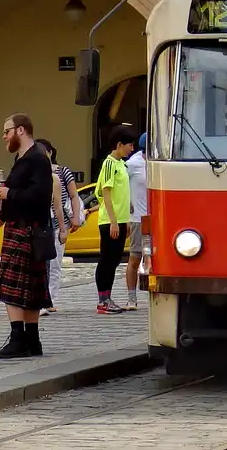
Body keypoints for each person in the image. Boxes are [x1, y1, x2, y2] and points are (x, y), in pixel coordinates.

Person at [0, 113, 54, 358]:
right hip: (21, 226)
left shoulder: (37, 158)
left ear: (20, 130)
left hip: (27, 230)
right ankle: (31, 340)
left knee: (16, 288)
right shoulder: (25, 157)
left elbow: (39, 196)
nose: (4, 136)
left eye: (7, 131)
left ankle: (19, 340)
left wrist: (9, 194)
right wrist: (3, 215)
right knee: (30, 288)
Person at [34, 138, 81, 315]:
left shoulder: (61, 172)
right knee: (42, 263)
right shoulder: (35, 172)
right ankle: (43, 298)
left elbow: (73, 195)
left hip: (55, 219)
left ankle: (50, 298)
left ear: (50, 152)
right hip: (41, 220)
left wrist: (74, 218)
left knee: (55, 263)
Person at [95, 125, 137, 315]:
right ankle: (103, 300)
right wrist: (113, 221)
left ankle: (108, 297)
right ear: (119, 144)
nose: (132, 149)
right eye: (129, 145)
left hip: (120, 220)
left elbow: (123, 194)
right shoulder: (110, 164)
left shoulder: (122, 164)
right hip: (109, 221)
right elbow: (106, 192)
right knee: (107, 260)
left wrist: (125, 219)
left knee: (114, 260)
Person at [124, 133, 147, 311]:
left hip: (158, 217)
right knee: (135, 258)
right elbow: (120, 184)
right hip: (138, 218)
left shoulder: (162, 161)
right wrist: (127, 203)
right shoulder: (132, 163)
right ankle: (132, 298)